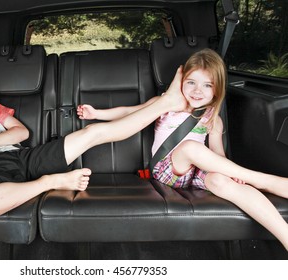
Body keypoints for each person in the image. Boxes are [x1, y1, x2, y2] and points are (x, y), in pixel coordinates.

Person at [0, 61, 186, 221]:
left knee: (92, 133)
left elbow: (21, 133)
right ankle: (48, 183)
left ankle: (167, 102)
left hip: (24, 157)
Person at [77, 48, 288, 250]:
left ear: (218, 89)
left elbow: (217, 155)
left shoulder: (212, 117)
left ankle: (284, 235)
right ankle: (259, 179)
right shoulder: (165, 104)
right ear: (180, 82)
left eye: (208, 85)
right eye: (191, 82)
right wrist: (97, 114)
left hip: (196, 172)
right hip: (167, 170)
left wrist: (231, 175)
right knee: (190, 147)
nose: (198, 90)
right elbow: (129, 112)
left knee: (220, 180)